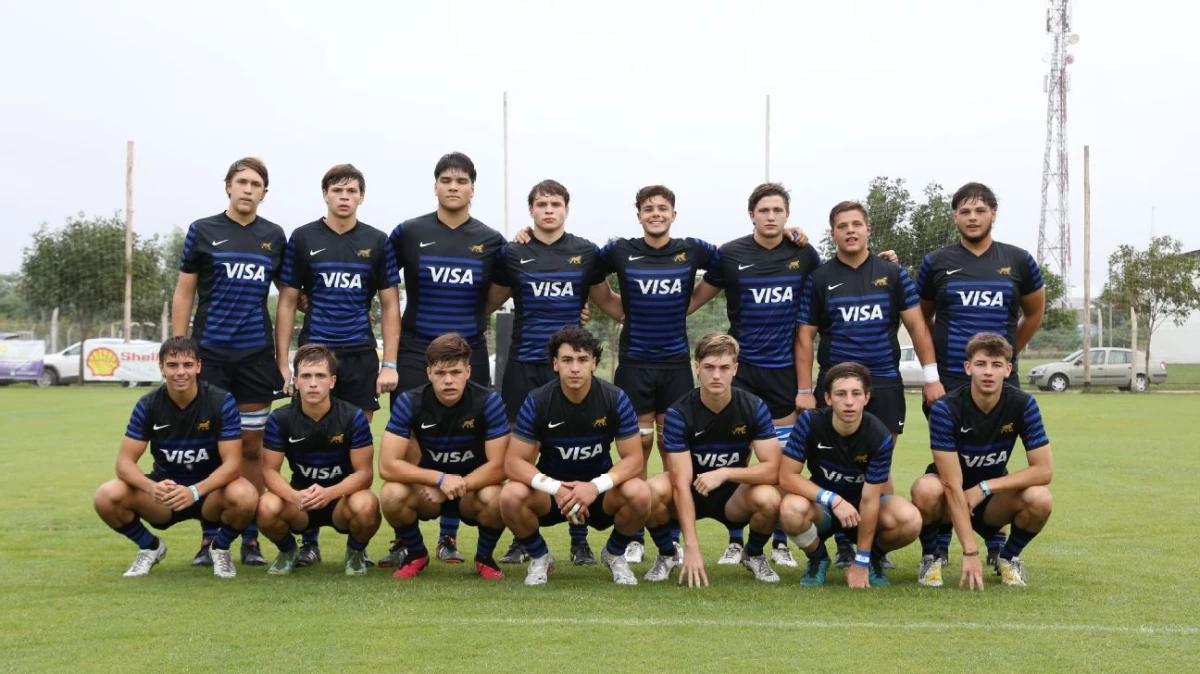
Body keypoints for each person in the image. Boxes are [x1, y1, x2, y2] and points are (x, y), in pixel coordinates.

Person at [795, 200, 942, 569]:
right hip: (834, 387)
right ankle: (844, 544)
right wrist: (803, 389)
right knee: (832, 462)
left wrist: (932, 377)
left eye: (856, 224)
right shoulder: (820, 278)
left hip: (885, 386)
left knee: (878, 466)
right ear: (833, 234)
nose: (850, 230)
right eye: (842, 225)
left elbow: (917, 326)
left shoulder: (892, 274)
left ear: (868, 229)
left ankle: (872, 548)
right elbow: (805, 337)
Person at [488, 179, 624, 567]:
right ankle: (522, 537)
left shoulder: (585, 253)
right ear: (531, 210)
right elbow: (487, 301)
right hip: (524, 366)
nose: (549, 210)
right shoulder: (512, 253)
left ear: (567, 209)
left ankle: (579, 538)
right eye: (541, 204)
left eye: (556, 204)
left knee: (577, 447)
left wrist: (657, 313)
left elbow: (607, 302)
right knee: (522, 454)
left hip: (571, 367)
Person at [687, 182, 820, 568]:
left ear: (787, 215)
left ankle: (778, 541)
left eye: (778, 210)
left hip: (782, 373)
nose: (771, 217)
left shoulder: (803, 253)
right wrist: (651, 311)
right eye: (764, 210)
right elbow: (695, 298)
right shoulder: (730, 254)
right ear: (752, 215)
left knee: (777, 461)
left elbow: (832, 278)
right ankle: (734, 541)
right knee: (737, 452)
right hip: (740, 371)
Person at [915, 182, 1046, 567]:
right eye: (965, 211)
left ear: (993, 214)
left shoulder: (1018, 261)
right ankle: (938, 547)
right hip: (950, 383)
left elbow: (1034, 313)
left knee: (993, 457)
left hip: (998, 381)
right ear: (955, 216)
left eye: (980, 210)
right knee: (950, 462)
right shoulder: (936, 262)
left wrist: (1008, 357)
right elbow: (921, 318)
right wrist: (931, 375)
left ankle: (995, 541)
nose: (973, 218)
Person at [275, 163, 400, 566]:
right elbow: (289, 300)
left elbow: (389, 303)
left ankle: (354, 543)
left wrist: (390, 362)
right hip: (314, 351)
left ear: (362, 197)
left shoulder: (377, 241)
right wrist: (283, 361)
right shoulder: (304, 237)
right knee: (308, 437)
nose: (345, 197)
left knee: (352, 444)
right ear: (325, 195)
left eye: (352, 191)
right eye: (337, 190)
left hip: (361, 355)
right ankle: (308, 540)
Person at [387, 152, 505, 563]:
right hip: (416, 348)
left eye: (461, 180)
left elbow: (507, 287)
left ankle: (449, 536)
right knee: (414, 437)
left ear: (473, 188)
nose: (453, 186)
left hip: (468, 349)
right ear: (435, 186)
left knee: (466, 435)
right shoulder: (408, 232)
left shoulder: (491, 240)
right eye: (445, 180)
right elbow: (379, 282)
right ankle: (405, 539)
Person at [172, 157, 287, 567]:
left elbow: (288, 293)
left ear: (264, 193)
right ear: (227, 186)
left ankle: (250, 539)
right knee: (213, 449)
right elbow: (185, 291)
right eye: (241, 182)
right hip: (211, 356)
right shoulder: (203, 231)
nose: (248, 189)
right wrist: (178, 345)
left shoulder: (274, 236)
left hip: (256, 358)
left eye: (256, 184)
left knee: (253, 449)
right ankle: (210, 538)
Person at [92, 336, 257, 578]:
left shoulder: (221, 401)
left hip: (210, 493)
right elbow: (124, 463)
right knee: (106, 496)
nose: (181, 372)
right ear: (161, 368)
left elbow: (233, 465)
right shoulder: (148, 404)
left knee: (246, 496)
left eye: (187, 365)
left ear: (198, 366)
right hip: (165, 494)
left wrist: (194, 491)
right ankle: (151, 547)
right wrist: (151, 487)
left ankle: (219, 548)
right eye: (172, 365)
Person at [499, 327, 651, 586]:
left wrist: (595, 486)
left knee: (640, 493)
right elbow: (513, 463)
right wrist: (555, 487)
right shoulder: (537, 401)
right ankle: (540, 556)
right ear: (555, 364)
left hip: (598, 495)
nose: (575, 368)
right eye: (567, 360)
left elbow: (634, 459)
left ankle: (614, 553)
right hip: (552, 495)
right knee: (510, 495)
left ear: (594, 363)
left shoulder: (614, 398)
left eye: (582, 360)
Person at [910, 333, 1054, 589]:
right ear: (968, 368)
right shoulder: (945, 408)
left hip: (991, 500)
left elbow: (1044, 471)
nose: (988, 372)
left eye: (996, 365)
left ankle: (1008, 557)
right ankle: (931, 556)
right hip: (948, 496)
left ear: (1008, 370)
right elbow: (952, 484)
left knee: (1040, 498)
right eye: (981, 364)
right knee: (925, 488)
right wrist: (970, 552)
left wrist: (984, 487)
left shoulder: (1023, 404)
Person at [646, 333, 782, 587]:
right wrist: (692, 545)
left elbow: (774, 470)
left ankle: (752, 553)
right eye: (709, 367)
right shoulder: (678, 413)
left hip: (734, 498)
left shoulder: (754, 406)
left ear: (735, 369)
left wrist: (725, 473)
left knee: (770, 497)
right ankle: (668, 553)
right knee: (651, 491)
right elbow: (680, 483)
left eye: (724, 367)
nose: (716, 375)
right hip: (691, 492)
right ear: (696, 367)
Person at [377, 334, 511, 579]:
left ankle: (484, 557)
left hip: (473, 492)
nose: (448, 380)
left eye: (456, 372)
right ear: (429, 373)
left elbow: (500, 466)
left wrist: (455, 484)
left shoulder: (487, 401)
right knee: (391, 493)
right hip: (428, 491)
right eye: (440, 373)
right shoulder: (410, 401)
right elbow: (387, 466)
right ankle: (416, 554)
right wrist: (439, 479)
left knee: (498, 496)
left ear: (468, 372)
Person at [779, 362, 922, 588]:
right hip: (823, 509)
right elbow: (787, 477)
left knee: (910, 520)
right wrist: (833, 499)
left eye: (856, 394)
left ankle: (872, 557)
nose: (848, 401)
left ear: (866, 398)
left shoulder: (879, 436)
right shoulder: (810, 422)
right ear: (827, 398)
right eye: (840, 394)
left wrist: (861, 560)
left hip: (862, 513)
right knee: (790, 509)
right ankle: (818, 558)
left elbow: (870, 499)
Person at [257, 344, 381, 576]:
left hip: (341, 499)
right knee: (266, 507)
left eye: (320, 376)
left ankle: (355, 553)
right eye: (306, 376)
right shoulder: (280, 418)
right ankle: (288, 551)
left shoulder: (352, 416)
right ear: (296, 381)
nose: (313, 383)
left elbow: (364, 474)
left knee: (367, 505)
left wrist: (330, 493)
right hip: (300, 502)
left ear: (332, 381)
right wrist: (294, 496)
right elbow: (269, 472)